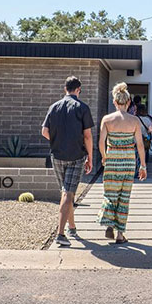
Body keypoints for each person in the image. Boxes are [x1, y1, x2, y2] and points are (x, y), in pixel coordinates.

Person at [40, 76, 95, 248]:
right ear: (78, 89)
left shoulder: (53, 107)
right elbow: (87, 136)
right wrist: (90, 157)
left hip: (56, 156)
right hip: (76, 156)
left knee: (66, 192)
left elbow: (44, 131)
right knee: (68, 193)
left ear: (65, 89)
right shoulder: (82, 108)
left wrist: (57, 141)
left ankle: (72, 227)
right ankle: (60, 234)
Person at [98, 82, 147, 244]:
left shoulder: (107, 119)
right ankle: (120, 234)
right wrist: (143, 165)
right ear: (128, 102)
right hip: (128, 161)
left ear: (114, 102)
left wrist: (104, 157)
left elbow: (101, 142)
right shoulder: (134, 121)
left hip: (112, 159)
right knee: (124, 197)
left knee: (110, 194)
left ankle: (109, 223)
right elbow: (140, 145)